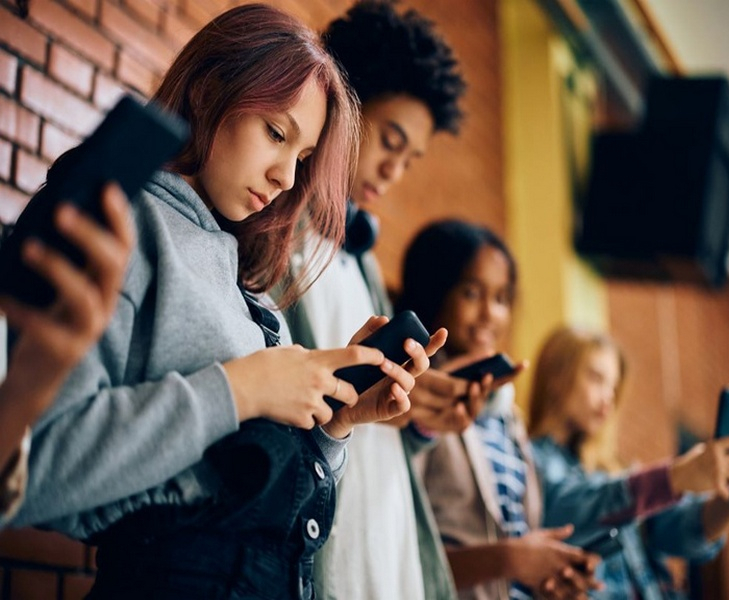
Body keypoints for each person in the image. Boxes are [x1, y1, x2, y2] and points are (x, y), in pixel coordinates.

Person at [9, 5, 444, 599]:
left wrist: (335, 426)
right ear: (212, 91)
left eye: (302, 156)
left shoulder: (244, 274)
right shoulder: (121, 220)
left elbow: (252, 495)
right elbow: (35, 468)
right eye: (275, 133)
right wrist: (242, 388)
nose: (287, 178)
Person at [282, 2, 474, 598]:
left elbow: (369, 423)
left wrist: (415, 417)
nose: (394, 171)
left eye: (410, 159)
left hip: (386, 554)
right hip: (319, 548)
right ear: (343, 99)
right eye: (390, 140)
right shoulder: (271, 235)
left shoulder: (361, 255)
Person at [397, 219, 602, 600]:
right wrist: (508, 559)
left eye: (502, 298)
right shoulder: (403, 402)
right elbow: (400, 555)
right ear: (435, 291)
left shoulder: (508, 416)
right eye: (473, 293)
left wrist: (548, 574)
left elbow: (515, 542)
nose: (491, 314)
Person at [528, 325, 729, 599]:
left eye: (613, 387)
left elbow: (681, 532)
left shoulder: (613, 469)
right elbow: (573, 512)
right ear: (556, 376)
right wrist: (674, 478)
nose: (608, 398)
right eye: (596, 378)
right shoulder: (530, 459)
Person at [0, 184, 134, 525]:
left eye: (296, 163)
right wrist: (233, 393)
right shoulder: (136, 227)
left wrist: (25, 391)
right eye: (274, 132)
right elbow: (42, 479)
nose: (285, 180)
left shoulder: (261, 307)